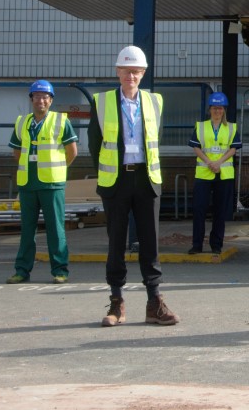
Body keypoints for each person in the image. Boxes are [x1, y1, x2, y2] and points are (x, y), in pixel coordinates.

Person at [88, 45, 179, 327]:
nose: (131, 75)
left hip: (146, 178)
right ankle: (117, 302)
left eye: (136, 71)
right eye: (126, 70)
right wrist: (108, 174)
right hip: (116, 179)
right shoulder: (101, 102)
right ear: (118, 72)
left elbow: (156, 138)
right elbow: (94, 144)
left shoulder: (155, 101)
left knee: (150, 242)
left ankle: (154, 302)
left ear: (143, 73)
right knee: (116, 241)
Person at [6, 80, 79, 284]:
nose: (41, 100)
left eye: (45, 96)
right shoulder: (22, 122)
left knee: (55, 228)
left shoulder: (60, 121)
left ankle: (60, 270)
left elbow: (72, 151)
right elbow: (16, 151)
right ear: (31, 99)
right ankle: (22, 270)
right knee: (26, 230)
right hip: (28, 183)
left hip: (51, 184)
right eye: (36, 96)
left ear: (51, 100)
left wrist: (58, 168)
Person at [188, 92, 241, 255]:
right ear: (210, 109)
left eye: (220, 108)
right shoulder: (201, 126)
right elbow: (196, 147)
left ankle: (216, 244)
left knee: (220, 211)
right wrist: (209, 162)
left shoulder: (231, 127)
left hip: (224, 173)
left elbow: (234, 148)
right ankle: (197, 245)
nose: (217, 111)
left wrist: (218, 162)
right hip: (204, 172)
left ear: (224, 110)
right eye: (214, 108)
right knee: (199, 209)